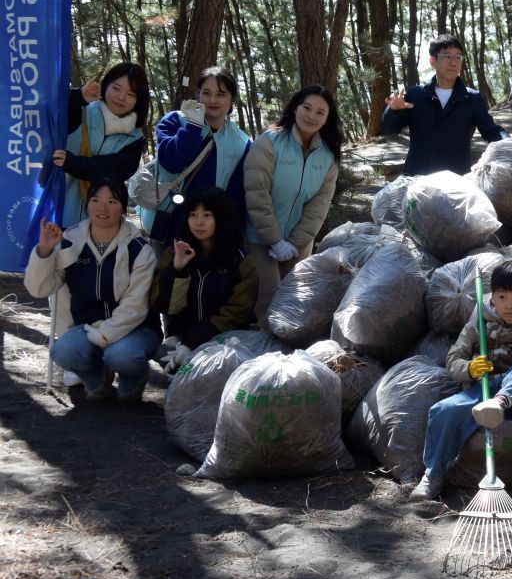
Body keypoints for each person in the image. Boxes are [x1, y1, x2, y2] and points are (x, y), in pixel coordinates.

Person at [409, 260, 512, 501]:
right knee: (442, 410)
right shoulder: (478, 323)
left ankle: (500, 404)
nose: (508, 305)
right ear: (492, 297)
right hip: (482, 388)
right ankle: (433, 475)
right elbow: (453, 360)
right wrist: (469, 369)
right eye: (502, 297)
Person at [24, 179, 161, 401]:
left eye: (111, 201)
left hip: (136, 328)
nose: (102, 208)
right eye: (95, 200)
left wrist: (103, 336)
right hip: (89, 327)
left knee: (121, 355)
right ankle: (97, 380)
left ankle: (132, 380)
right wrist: (44, 251)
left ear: (124, 208)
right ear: (87, 204)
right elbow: (39, 289)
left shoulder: (139, 249)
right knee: (62, 352)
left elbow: (135, 306)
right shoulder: (69, 241)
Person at [244, 85, 341, 327]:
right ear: (295, 108)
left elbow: (319, 205)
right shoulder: (270, 141)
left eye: (320, 112)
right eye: (306, 108)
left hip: (299, 241)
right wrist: (275, 240)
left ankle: (288, 356)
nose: (311, 116)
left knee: (292, 301)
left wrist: (296, 243)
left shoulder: (328, 155)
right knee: (270, 296)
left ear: (328, 118)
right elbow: (257, 195)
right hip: (259, 236)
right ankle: (261, 356)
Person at [150, 187, 258, 373]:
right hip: (181, 338)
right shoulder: (176, 252)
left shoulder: (240, 259)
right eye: (193, 215)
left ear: (222, 217)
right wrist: (177, 270)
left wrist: (192, 343)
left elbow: (236, 313)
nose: (198, 222)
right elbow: (165, 306)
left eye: (207, 215)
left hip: (227, 342)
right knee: (163, 353)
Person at [141, 67, 252, 245]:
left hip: (208, 232)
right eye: (206, 93)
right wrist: (193, 126)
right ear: (198, 94)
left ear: (232, 99)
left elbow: (236, 196)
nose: (212, 100)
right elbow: (171, 163)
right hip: (169, 222)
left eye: (221, 94)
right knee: (164, 272)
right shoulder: (175, 121)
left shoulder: (242, 143)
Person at [380, 33, 508, 175]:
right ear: (432, 61)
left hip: (456, 181)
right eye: (447, 56)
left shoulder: (471, 98)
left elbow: (491, 131)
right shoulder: (415, 95)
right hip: (418, 180)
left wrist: (510, 143)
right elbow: (388, 128)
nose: (454, 62)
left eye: (458, 56)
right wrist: (393, 110)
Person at [45, 63, 150, 228]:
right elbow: (48, 113)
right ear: (106, 85)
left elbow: (111, 171)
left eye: (130, 94)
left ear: (139, 100)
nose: (121, 97)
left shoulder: (135, 139)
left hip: (98, 226)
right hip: (52, 213)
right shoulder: (81, 110)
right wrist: (78, 96)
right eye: (116, 88)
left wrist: (72, 163)